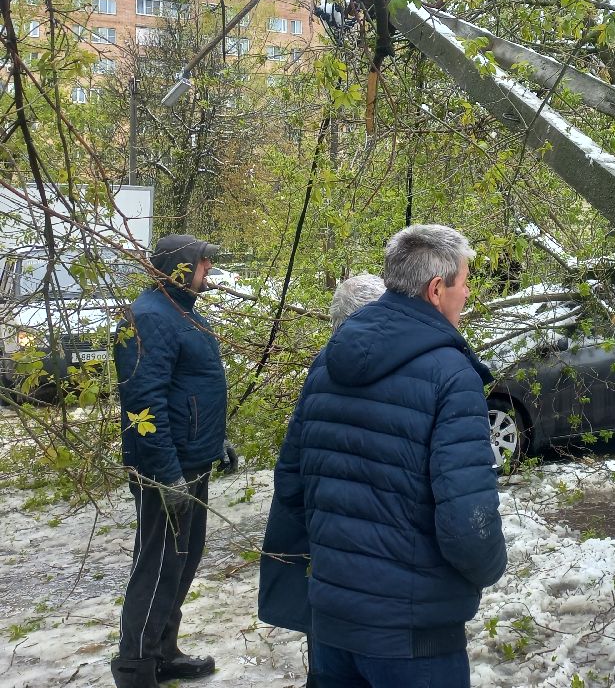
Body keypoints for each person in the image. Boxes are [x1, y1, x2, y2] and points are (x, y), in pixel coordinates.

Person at [273, 225, 506, 688]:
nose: (469, 293)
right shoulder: (452, 374)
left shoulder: (327, 360)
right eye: (464, 282)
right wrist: (488, 567)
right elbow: (467, 519)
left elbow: (292, 486)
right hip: (413, 633)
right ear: (436, 290)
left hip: (331, 620)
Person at [111, 235, 237, 688]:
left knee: (183, 560)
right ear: (179, 265)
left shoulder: (181, 309)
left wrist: (216, 440)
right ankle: (135, 665)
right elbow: (143, 403)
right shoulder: (148, 316)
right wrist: (165, 474)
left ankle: (163, 650)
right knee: (160, 562)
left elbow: (193, 387)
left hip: (193, 460)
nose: (209, 268)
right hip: (168, 469)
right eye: (203, 261)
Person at [258, 273, 387, 687]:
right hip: (387, 567)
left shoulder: (322, 370)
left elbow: (290, 474)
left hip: (328, 559)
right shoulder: (415, 368)